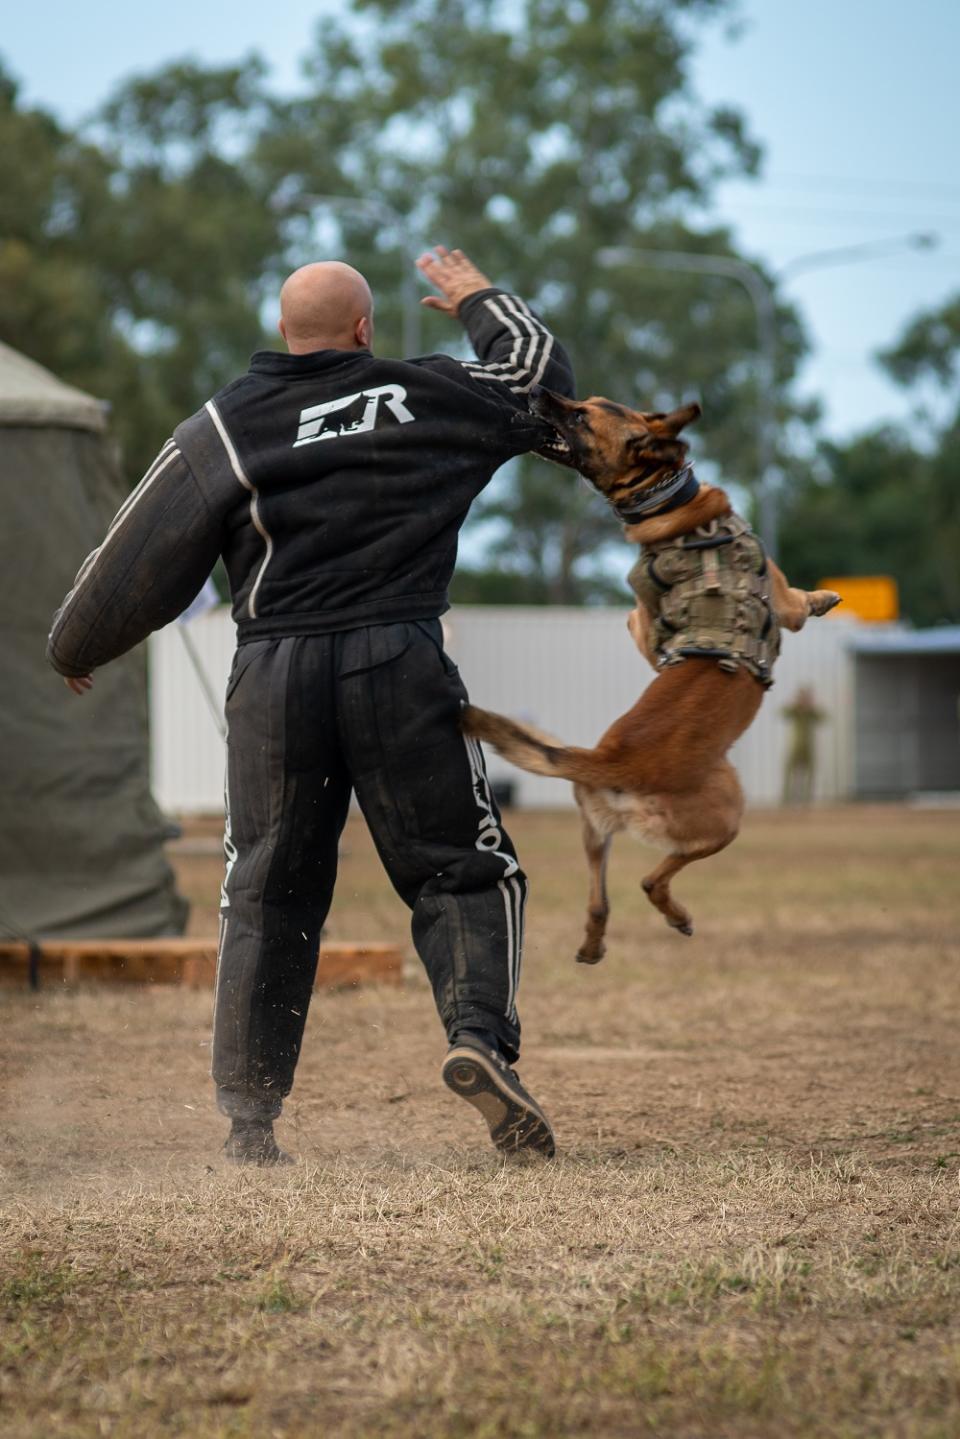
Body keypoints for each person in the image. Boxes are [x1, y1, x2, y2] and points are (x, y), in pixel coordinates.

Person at [47, 247, 575, 1165]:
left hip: (274, 676)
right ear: (365, 331)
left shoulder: (222, 425)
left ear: (282, 334)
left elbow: (137, 552)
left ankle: (250, 1121)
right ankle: (478, 1041)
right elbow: (542, 385)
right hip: (399, 659)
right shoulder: (430, 394)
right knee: (460, 868)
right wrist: (477, 299)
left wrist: (77, 643)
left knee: (266, 890)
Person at [781, 684, 827, 805]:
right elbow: (783, 713)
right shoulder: (795, 710)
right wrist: (795, 704)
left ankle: (807, 800)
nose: (804, 699)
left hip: (809, 746)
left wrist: (812, 706)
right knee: (790, 771)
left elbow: (823, 718)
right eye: (802, 696)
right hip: (795, 745)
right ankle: (786, 799)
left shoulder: (811, 712)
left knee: (810, 772)